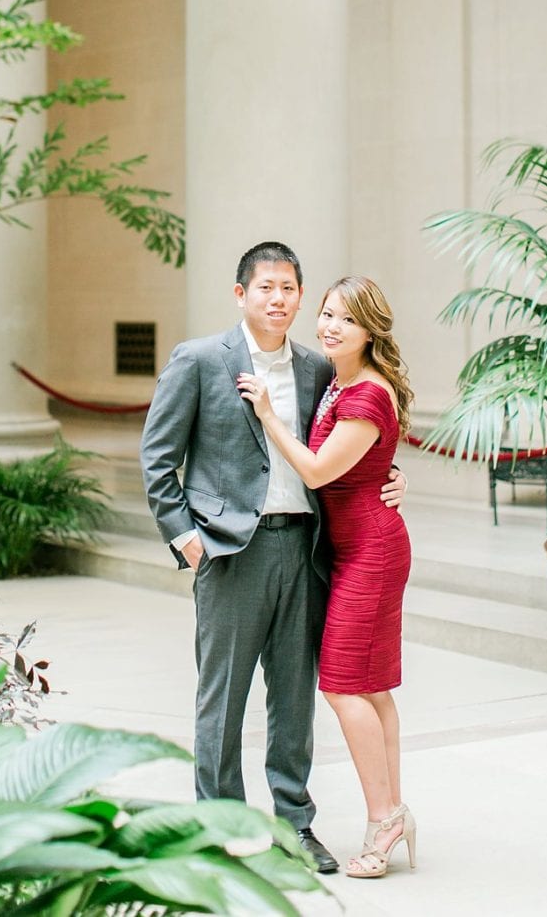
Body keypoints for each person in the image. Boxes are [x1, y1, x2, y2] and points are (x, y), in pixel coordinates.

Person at [139, 242, 406, 877]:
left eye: (290, 288)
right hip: (232, 550)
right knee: (222, 697)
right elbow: (157, 457)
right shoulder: (201, 360)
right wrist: (187, 538)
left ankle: (295, 826)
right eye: (266, 287)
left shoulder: (321, 369)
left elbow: (355, 443)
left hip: (307, 548)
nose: (279, 299)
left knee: (293, 700)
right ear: (241, 294)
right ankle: (221, 829)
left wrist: (391, 477)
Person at [239, 275, 417, 881]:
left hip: (371, 550)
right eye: (326, 314)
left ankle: (383, 820)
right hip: (354, 546)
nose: (329, 326)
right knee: (372, 689)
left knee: (343, 685)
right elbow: (366, 462)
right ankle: (393, 810)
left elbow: (316, 472)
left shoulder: (365, 393)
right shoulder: (340, 381)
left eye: (345, 318)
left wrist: (267, 413)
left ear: (371, 330)